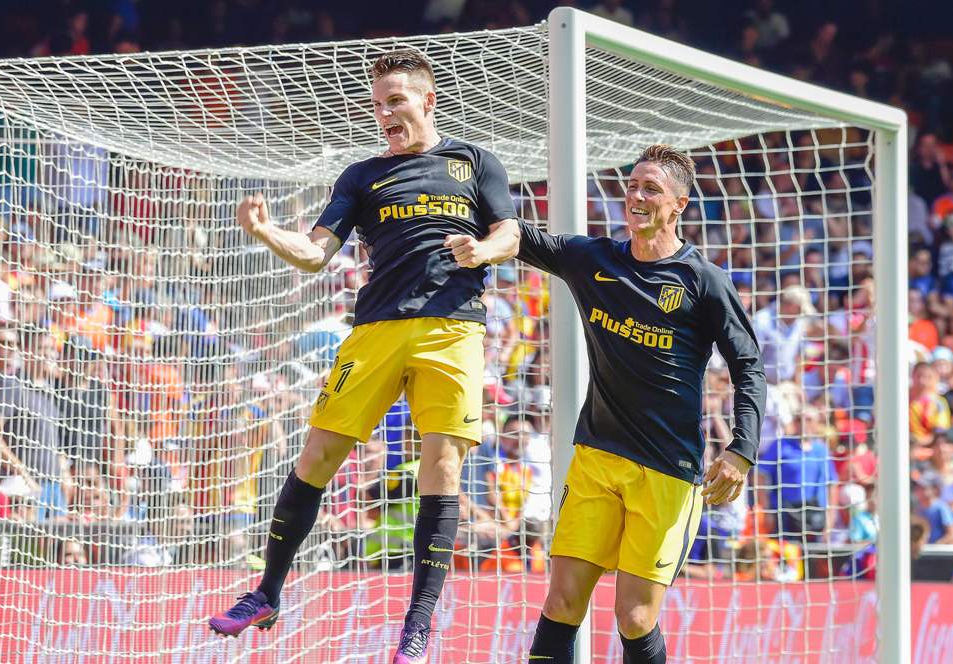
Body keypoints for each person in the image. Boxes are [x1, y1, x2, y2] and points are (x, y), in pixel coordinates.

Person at [207, 49, 520, 664]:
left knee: (442, 469)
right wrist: (267, 234)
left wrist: (479, 252)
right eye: (378, 104)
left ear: (426, 100)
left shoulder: (474, 163)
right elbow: (316, 252)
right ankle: (267, 592)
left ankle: (418, 627)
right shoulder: (360, 176)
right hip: (375, 329)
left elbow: (510, 234)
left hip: (452, 329)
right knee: (317, 455)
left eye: (396, 101)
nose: (385, 113)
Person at [518, 145, 766, 664]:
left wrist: (741, 449)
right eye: (631, 185)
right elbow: (522, 236)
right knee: (562, 600)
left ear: (679, 204)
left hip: (667, 472)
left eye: (651, 188)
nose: (635, 195)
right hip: (596, 456)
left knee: (634, 616)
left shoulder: (703, 281)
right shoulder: (595, 260)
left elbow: (748, 366)